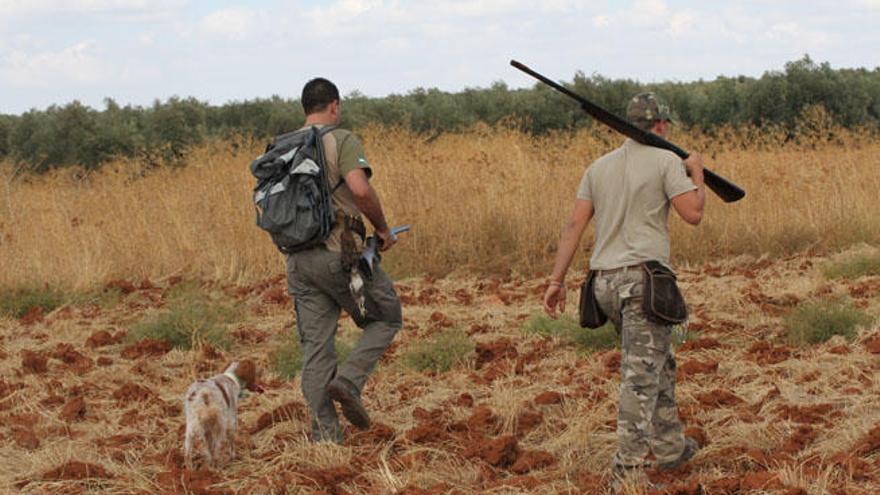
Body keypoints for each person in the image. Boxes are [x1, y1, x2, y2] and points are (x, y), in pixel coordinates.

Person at [542, 93, 705, 483]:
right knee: (640, 376)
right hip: (643, 283)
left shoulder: (598, 168)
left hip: (604, 285)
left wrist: (556, 280)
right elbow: (693, 214)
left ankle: (670, 449)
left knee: (656, 364)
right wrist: (696, 173)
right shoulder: (668, 162)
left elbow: (573, 227)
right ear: (662, 126)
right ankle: (627, 472)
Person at [284, 78, 402, 443]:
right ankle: (349, 382)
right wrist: (382, 228)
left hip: (299, 261)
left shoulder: (284, 147)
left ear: (306, 107)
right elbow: (360, 189)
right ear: (334, 106)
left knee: (317, 349)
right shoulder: (341, 139)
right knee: (386, 316)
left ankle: (326, 440)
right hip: (341, 254)